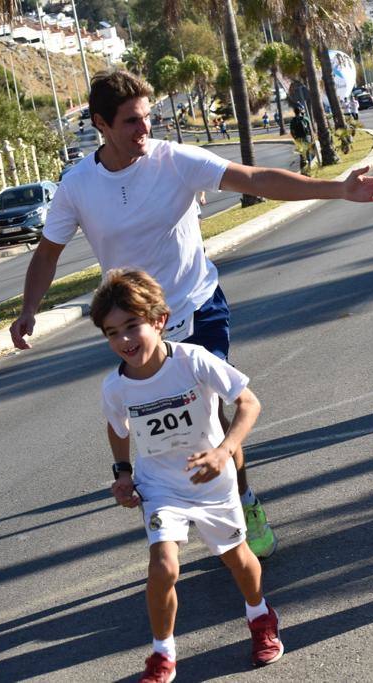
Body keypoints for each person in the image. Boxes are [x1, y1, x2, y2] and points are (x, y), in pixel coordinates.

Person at [10, 71, 373, 558]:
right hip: (138, 326)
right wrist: (28, 309)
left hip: (197, 306)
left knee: (210, 412)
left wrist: (337, 189)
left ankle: (243, 502)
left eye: (146, 117)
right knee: (164, 425)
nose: (144, 129)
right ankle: (188, 505)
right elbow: (48, 252)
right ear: (101, 125)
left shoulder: (175, 160)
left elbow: (254, 179)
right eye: (131, 121)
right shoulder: (77, 186)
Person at [94, 269, 284, 682]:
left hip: (211, 480)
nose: (124, 340)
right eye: (112, 333)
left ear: (159, 320)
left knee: (237, 559)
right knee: (164, 566)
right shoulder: (116, 387)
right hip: (160, 486)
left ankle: (260, 615)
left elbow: (249, 403)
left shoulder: (194, 361)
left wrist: (223, 451)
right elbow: (117, 426)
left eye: (132, 326)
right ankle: (163, 654)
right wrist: (123, 473)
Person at [289, 104, 314, 169]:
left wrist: (295, 138)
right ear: (300, 111)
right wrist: (312, 138)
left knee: (301, 152)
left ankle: (303, 166)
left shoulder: (293, 121)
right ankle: (309, 165)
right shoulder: (305, 118)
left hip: (298, 138)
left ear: (294, 112)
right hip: (306, 137)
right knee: (308, 151)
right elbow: (310, 129)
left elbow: (291, 131)